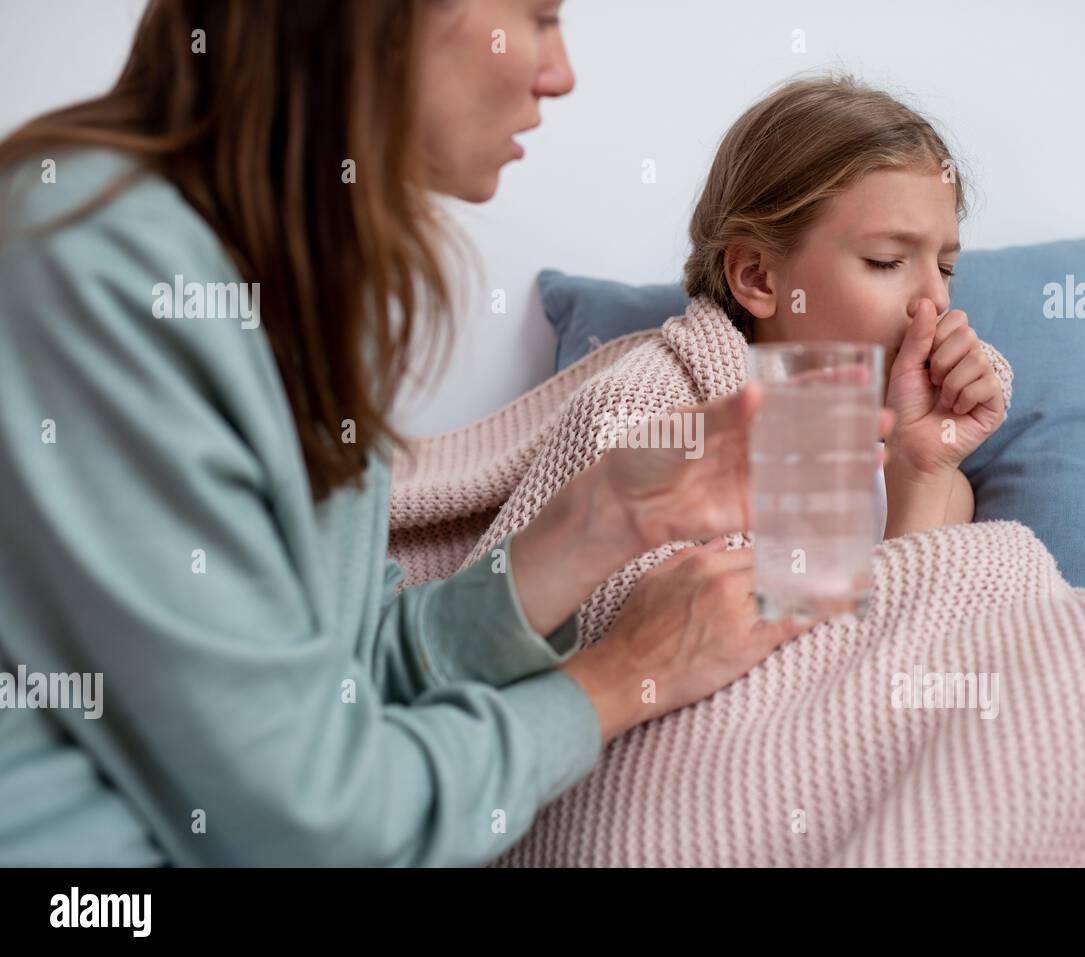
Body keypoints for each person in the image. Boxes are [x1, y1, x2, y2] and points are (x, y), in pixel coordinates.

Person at [0, 0, 897, 866]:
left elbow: (345, 681)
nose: (560, 73)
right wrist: (623, 675)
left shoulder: (296, 283)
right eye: (538, 16)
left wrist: (608, 515)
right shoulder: (97, 264)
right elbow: (302, 821)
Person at [682, 75, 1009, 541]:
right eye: (886, 261)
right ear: (757, 276)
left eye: (945, 268)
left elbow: (915, 590)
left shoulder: (936, 484)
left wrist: (921, 474)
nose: (936, 299)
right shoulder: (655, 433)